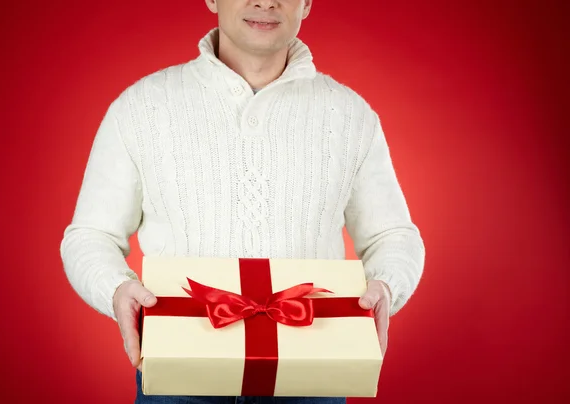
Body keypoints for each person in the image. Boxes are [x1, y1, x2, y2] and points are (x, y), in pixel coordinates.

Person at [60, 0, 425, 403]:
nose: (265, 2)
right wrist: (116, 289)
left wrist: (387, 285)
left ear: (306, 3)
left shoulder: (351, 117)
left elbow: (393, 235)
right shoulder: (141, 107)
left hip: (312, 378)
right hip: (178, 377)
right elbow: (90, 235)